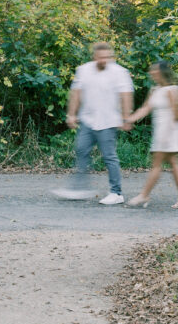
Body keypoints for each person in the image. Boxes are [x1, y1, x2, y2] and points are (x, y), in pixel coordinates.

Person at [51, 42, 134, 205]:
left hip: (108, 121)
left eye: (107, 57)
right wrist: (71, 114)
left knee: (109, 156)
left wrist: (126, 118)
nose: (104, 60)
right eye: (100, 57)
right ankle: (79, 188)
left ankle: (116, 192)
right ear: (94, 57)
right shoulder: (84, 70)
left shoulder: (119, 72)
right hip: (88, 120)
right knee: (81, 151)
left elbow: (126, 95)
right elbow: (76, 93)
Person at [123, 61, 178, 209]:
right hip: (160, 130)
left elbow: (174, 114)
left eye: (155, 71)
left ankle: (144, 195)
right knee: (174, 163)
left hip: (169, 130)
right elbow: (145, 108)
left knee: (157, 165)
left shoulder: (172, 90)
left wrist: (167, 135)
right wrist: (130, 119)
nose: (152, 73)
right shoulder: (154, 89)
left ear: (162, 72)